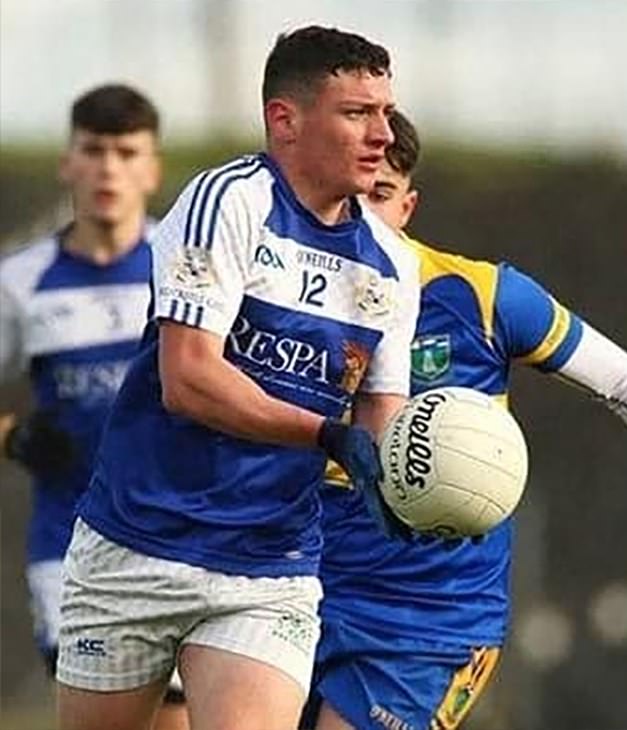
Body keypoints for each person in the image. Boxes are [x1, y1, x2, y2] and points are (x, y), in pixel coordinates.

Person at [55, 26, 420, 730]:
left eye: (384, 110)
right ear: (285, 120)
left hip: (268, 567)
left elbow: (381, 419)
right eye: (357, 113)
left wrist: (421, 483)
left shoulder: (391, 265)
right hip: (136, 543)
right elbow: (187, 379)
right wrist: (325, 433)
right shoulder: (229, 201)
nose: (384, 133)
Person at [304, 110, 627, 730]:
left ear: (409, 206)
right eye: (352, 199)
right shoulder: (284, 299)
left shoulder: (484, 298)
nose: (365, 217)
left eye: (381, 196)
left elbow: (622, 380)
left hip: (428, 620)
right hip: (295, 592)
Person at [0, 84, 188, 730]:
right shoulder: (20, 283)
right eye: (94, 150)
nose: (109, 168)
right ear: (68, 162)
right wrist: (11, 436)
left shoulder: (186, 266)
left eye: (127, 152)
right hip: (70, 548)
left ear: (153, 168)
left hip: (181, 541)